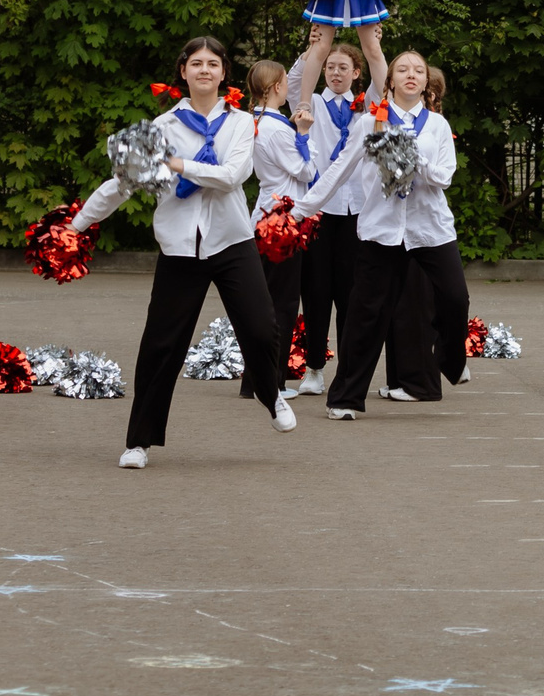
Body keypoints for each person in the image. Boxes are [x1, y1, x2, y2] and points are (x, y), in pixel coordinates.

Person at [70, 38, 296, 467]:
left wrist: (178, 166)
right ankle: (139, 441)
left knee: (262, 328)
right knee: (161, 345)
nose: (205, 70)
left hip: (231, 240)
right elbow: (122, 185)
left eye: (213, 63)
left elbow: (232, 176)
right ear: (183, 72)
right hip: (180, 247)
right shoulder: (160, 128)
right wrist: (77, 225)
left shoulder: (243, 123)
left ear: (224, 72)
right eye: (196, 63)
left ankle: (272, 397)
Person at [293, 51, 474, 422]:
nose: (411, 75)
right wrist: (297, 211)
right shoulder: (368, 123)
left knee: (456, 298)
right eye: (402, 69)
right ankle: (344, 398)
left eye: (418, 70)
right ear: (389, 80)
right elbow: (337, 172)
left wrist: (410, 154)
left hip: (430, 228)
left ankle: (451, 361)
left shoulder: (437, 126)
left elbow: (443, 177)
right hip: (382, 230)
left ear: (426, 83)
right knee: (366, 313)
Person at [292, 45, 371, 396]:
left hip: (356, 211)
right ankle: (314, 368)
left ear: (356, 72)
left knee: (351, 295)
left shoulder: (367, 106)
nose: (335, 73)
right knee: (316, 291)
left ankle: (350, 372)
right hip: (320, 210)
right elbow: (295, 80)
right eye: (330, 67)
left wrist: (375, 47)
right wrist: (314, 48)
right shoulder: (311, 104)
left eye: (343, 68)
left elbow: (385, 82)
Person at [242, 58, 314, 402]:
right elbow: (305, 171)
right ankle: (270, 379)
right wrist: (303, 136)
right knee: (282, 303)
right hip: (282, 220)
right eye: (285, 81)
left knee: (267, 299)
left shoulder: (251, 120)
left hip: (264, 213)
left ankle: (254, 378)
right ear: (274, 88)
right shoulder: (277, 128)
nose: (289, 87)